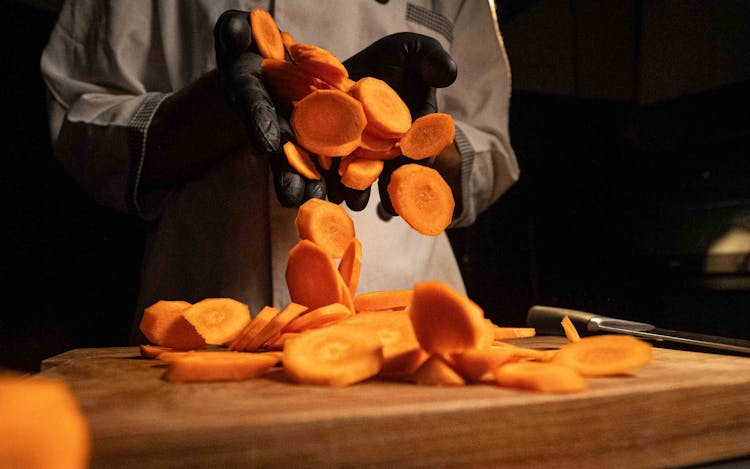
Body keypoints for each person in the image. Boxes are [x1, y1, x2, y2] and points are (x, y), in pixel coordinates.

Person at [41, 0, 519, 344]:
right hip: (203, 313)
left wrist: (408, 137)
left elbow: (492, 151)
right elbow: (83, 124)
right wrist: (220, 108)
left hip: (407, 323)